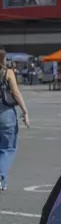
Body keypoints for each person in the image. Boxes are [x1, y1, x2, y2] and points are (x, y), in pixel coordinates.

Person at [0, 49, 29, 191]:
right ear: (3, 59)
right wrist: (25, 111)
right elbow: (16, 93)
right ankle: (1, 177)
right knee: (7, 148)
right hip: (5, 113)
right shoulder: (8, 73)